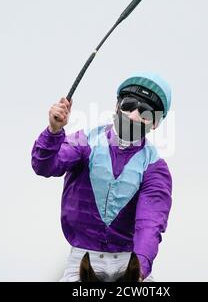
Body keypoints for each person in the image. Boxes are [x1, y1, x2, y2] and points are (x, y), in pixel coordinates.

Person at [31, 72, 173, 282]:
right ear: (117, 106)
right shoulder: (84, 142)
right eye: (129, 104)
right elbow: (44, 166)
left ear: (155, 124)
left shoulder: (155, 168)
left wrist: (140, 269)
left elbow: (150, 224)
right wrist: (54, 131)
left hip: (130, 263)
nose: (133, 115)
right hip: (82, 261)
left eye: (145, 112)